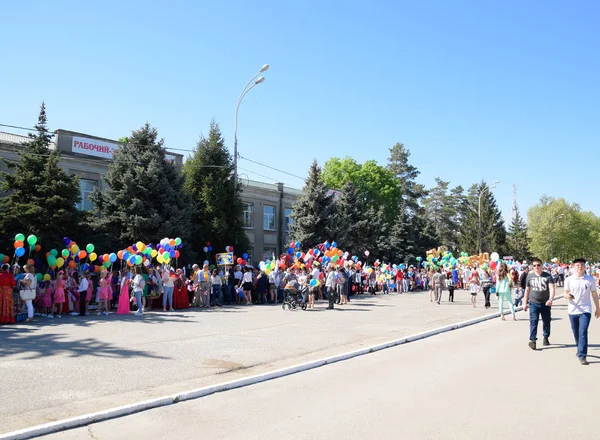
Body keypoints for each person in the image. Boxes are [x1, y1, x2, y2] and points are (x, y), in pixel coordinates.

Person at [564, 258, 600, 365]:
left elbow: (594, 294)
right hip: (573, 310)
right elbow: (565, 293)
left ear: (585, 266)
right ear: (573, 267)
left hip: (585, 309)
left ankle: (582, 355)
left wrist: (598, 308)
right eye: (577, 265)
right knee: (576, 332)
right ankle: (579, 347)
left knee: (583, 332)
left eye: (582, 265)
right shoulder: (569, 279)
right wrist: (568, 296)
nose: (580, 267)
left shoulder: (589, 279)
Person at [524, 257, 556, 350]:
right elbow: (527, 290)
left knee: (546, 321)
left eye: (538, 265)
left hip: (545, 303)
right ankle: (533, 340)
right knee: (533, 321)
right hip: (533, 302)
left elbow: (552, 288)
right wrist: (524, 303)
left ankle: (546, 336)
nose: (537, 267)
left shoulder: (547, 276)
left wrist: (550, 299)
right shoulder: (530, 276)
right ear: (532, 267)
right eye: (534, 265)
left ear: (542, 266)